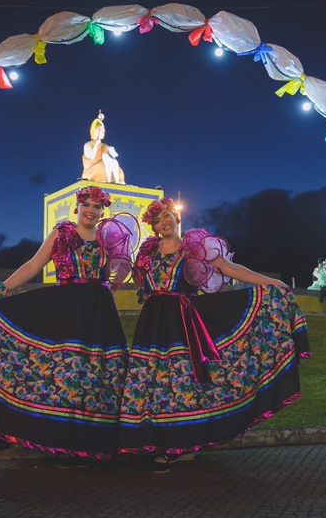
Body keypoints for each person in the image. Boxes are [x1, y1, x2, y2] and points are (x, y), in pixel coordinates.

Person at [118, 197, 310, 473]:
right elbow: (144, 288)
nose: (164, 222)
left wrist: (272, 283)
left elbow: (231, 269)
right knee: (149, 380)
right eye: (158, 220)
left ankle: (175, 445)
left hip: (183, 321)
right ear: (154, 227)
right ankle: (148, 441)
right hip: (151, 323)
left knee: (180, 380)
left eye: (167, 215)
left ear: (176, 217)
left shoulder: (195, 248)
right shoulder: (147, 254)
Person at [0, 186, 135, 466]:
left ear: (102, 211)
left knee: (94, 379)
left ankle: (88, 443)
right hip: (65, 308)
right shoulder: (62, 233)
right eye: (87, 204)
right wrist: (1, 290)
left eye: (97, 207)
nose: (91, 211)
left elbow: (117, 272)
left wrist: (114, 285)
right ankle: (52, 440)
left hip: (98, 312)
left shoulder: (107, 238)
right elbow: (33, 265)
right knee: (63, 377)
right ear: (77, 206)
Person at [81, 111, 126, 184]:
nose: (102, 131)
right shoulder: (88, 145)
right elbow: (91, 157)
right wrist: (96, 145)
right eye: (99, 130)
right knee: (101, 167)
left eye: (103, 130)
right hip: (92, 170)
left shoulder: (104, 145)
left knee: (117, 168)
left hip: (105, 164)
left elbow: (109, 156)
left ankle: (118, 181)